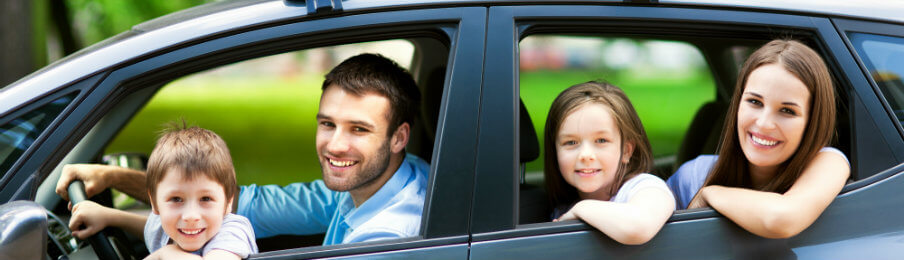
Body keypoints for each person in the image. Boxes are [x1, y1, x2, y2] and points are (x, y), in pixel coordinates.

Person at [58, 53, 428, 246]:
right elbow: (236, 205)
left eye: (359, 129)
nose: (334, 144)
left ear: (399, 137)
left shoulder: (387, 237)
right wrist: (112, 181)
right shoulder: (381, 179)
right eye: (327, 124)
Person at [666, 39, 850, 239]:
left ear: (812, 121)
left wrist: (708, 194)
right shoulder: (694, 175)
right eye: (754, 101)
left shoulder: (829, 162)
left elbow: (780, 219)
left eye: (787, 111)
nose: (764, 124)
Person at [69, 124, 257, 259]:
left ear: (228, 203)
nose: (191, 216)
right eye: (176, 199)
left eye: (206, 198)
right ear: (155, 203)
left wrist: (165, 255)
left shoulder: (232, 230)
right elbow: (152, 227)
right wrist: (109, 216)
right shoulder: (166, 227)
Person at [545, 81, 675, 245]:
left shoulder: (644, 188)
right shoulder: (563, 209)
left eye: (601, 140)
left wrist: (582, 208)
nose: (585, 155)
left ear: (626, 151)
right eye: (571, 142)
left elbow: (638, 227)